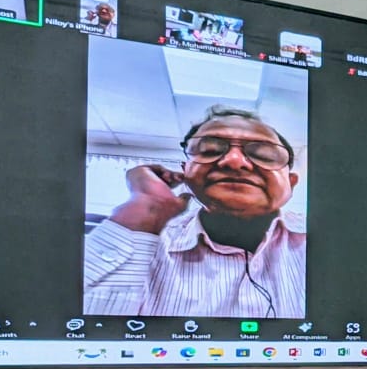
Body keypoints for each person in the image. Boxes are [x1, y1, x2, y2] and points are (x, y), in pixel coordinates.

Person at [83, 105, 306, 318]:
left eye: (264, 155)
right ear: (185, 174)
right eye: (210, 150)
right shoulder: (146, 244)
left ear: (291, 182)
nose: (234, 161)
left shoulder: (329, 241)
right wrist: (145, 208)